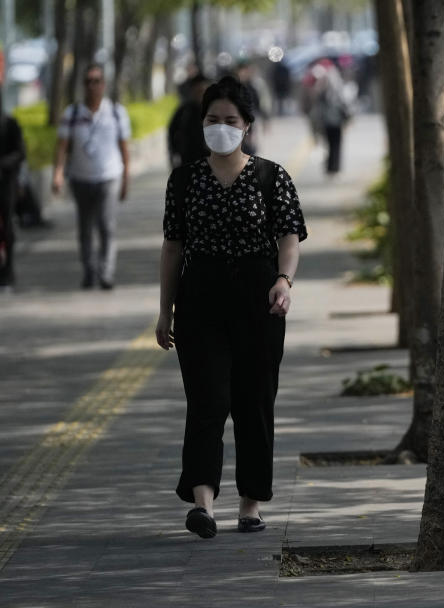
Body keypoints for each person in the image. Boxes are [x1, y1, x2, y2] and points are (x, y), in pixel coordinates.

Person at [155, 76, 307, 539]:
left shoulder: (270, 176)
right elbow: (172, 249)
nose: (220, 127)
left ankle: (251, 503)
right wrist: (165, 311)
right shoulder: (184, 180)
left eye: (230, 120)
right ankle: (202, 503)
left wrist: (284, 281)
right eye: (212, 120)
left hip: (258, 297)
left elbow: (289, 238)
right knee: (208, 399)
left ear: (247, 126)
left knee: (254, 400)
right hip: (199, 297)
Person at [52, 64, 131, 290]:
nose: (92, 86)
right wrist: (57, 174)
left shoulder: (116, 112)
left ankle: (106, 273)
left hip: (109, 176)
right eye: (88, 82)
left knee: (106, 225)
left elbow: (125, 148)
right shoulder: (72, 113)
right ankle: (89, 271)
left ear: (103, 85)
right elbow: (61, 147)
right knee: (85, 228)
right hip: (80, 178)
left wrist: (126, 178)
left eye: (96, 81)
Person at [0, 93, 26, 291]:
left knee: (7, 228)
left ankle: (8, 271)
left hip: (6, 184)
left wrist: (3, 165)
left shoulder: (10, 124)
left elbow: (20, 153)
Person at [168, 74, 211, 168]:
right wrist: (173, 155)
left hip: (211, 161)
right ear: (192, 91)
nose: (201, 94)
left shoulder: (215, 110)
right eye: (198, 91)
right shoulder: (184, 111)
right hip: (188, 161)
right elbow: (171, 133)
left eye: (203, 91)